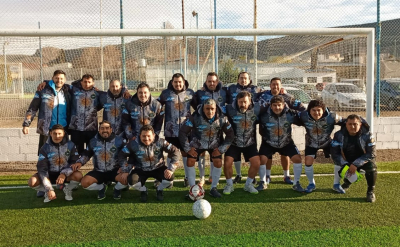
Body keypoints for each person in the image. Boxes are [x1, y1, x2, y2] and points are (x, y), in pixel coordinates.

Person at [179, 98, 234, 198]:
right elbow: (182, 132)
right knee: (190, 160)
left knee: (217, 162)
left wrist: (221, 149)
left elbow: (230, 135)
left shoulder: (222, 118)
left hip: (214, 143)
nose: (210, 111)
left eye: (212, 109)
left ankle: (213, 188)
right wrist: (188, 149)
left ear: (216, 108)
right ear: (203, 109)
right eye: (207, 109)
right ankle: (192, 189)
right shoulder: (194, 117)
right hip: (197, 142)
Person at [257, 77, 306, 185]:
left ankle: (287, 176)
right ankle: (267, 176)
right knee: (267, 155)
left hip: (284, 132)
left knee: (285, 154)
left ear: (281, 85)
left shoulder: (287, 97)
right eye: (273, 84)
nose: (275, 86)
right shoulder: (264, 96)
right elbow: (255, 108)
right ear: (270, 85)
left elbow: (301, 108)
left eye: (277, 84)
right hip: (267, 131)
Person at [119, 125, 180, 202]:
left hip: (158, 168)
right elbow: (121, 155)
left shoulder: (161, 141)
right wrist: (125, 170)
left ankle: (159, 189)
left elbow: (175, 151)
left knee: (169, 178)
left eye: (149, 136)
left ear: (154, 135)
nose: (146, 138)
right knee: (131, 181)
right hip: (140, 169)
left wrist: (171, 169)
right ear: (139, 136)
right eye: (144, 136)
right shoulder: (133, 144)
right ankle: (144, 190)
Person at [223, 91, 267, 195]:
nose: (243, 104)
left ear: (250, 101)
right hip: (234, 143)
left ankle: (248, 184)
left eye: (245, 102)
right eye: (240, 102)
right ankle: (229, 184)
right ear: (236, 101)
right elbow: (215, 109)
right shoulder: (229, 109)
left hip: (249, 143)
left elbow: (272, 106)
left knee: (256, 163)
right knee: (227, 162)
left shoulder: (257, 108)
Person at [72, 120, 128, 200]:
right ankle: (101, 187)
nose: (105, 130)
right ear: (99, 130)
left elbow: (126, 156)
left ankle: (117, 189)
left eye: (107, 128)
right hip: (98, 171)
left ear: (111, 129)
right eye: (102, 128)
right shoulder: (93, 141)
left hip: (115, 170)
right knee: (85, 183)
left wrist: (124, 168)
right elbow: (87, 154)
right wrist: (80, 162)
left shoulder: (120, 141)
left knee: (127, 179)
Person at [297, 99, 343, 193]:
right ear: (309, 110)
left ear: (323, 110)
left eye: (319, 110)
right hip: (311, 143)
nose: (316, 113)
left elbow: (346, 122)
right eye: (313, 110)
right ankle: (311, 184)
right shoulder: (303, 116)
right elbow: (289, 117)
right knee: (308, 162)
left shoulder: (332, 117)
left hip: (327, 142)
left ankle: (336, 184)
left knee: (338, 160)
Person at [157, 73, 195, 188]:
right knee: (171, 153)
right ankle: (169, 179)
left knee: (185, 152)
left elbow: (198, 107)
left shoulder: (190, 93)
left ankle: (187, 178)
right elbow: (156, 105)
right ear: (172, 82)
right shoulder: (165, 93)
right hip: (170, 130)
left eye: (180, 82)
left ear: (183, 82)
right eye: (175, 82)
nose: (178, 84)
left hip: (186, 130)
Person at [27, 124, 82, 203]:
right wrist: (49, 188)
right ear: (50, 133)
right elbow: (42, 168)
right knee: (32, 181)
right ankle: (47, 191)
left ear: (63, 134)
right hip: (49, 175)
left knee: (79, 176)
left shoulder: (70, 145)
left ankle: (67, 189)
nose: (57, 136)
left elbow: (75, 162)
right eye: (55, 133)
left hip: (65, 175)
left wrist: (64, 173)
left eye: (59, 133)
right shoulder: (45, 148)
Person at [224, 72, 262, 184]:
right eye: (241, 78)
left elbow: (269, 99)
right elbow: (217, 99)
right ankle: (234, 180)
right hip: (234, 134)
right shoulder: (230, 95)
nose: (243, 80)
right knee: (229, 159)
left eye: (245, 78)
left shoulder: (256, 94)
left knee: (254, 158)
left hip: (250, 133)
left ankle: (250, 181)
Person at [22, 70, 71, 154]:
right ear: (52, 78)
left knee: (63, 154)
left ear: (65, 79)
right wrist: (26, 124)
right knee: (44, 155)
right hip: (47, 128)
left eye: (61, 78)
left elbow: (80, 85)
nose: (59, 81)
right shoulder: (42, 91)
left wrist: (45, 81)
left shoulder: (68, 91)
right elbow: (32, 108)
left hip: (63, 128)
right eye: (57, 78)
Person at [192, 72, 227, 186]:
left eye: (214, 81)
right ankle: (202, 177)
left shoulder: (224, 92)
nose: (211, 83)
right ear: (206, 82)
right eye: (209, 81)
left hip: (218, 127)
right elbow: (194, 105)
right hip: (202, 128)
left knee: (215, 152)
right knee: (201, 154)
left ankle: (212, 176)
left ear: (217, 82)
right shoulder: (200, 93)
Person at [331, 115, 377, 203]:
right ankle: (347, 182)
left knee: (372, 167)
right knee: (347, 172)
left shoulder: (368, 135)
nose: (352, 126)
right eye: (350, 124)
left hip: (363, 160)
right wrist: (345, 164)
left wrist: (356, 164)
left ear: (360, 124)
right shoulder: (338, 135)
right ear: (346, 124)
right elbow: (335, 153)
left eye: (355, 124)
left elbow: (371, 153)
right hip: (346, 161)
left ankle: (370, 191)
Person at [68, 74, 101, 155]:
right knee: (76, 152)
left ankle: (96, 167)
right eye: (85, 82)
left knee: (93, 151)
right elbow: (59, 84)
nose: (87, 84)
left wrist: (124, 90)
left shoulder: (97, 93)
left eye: (89, 82)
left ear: (93, 83)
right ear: (81, 82)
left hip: (91, 128)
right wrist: (45, 82)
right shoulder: (74, 90)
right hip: (76, 128)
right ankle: (76, 166)